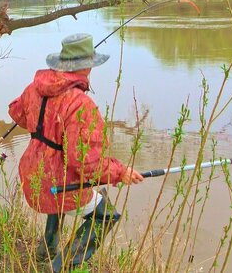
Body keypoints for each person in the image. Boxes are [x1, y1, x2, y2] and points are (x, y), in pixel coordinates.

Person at [8, 33, 143, 272]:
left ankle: (45, 252)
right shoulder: (81, 104)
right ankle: (60, 267)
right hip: (57, 182)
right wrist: (121, 172)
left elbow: (16, 112)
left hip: (32, 174)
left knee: (65, 193)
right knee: (106, 216)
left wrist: (43, 127)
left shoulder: (34, 87)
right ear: (88, 66)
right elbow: (85, 165)